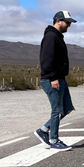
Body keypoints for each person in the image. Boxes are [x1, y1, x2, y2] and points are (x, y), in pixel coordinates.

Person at [34, 10, 77, 151]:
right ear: (58, 21)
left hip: (60, 78)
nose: (69, 26)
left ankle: (43, 130)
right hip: (52, 79)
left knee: (66, 109)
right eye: (67, 22)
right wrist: (52, 77)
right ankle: (53, 140)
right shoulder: (51, 37)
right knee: (57, 110)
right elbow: (46, 59)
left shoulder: (57, 37)